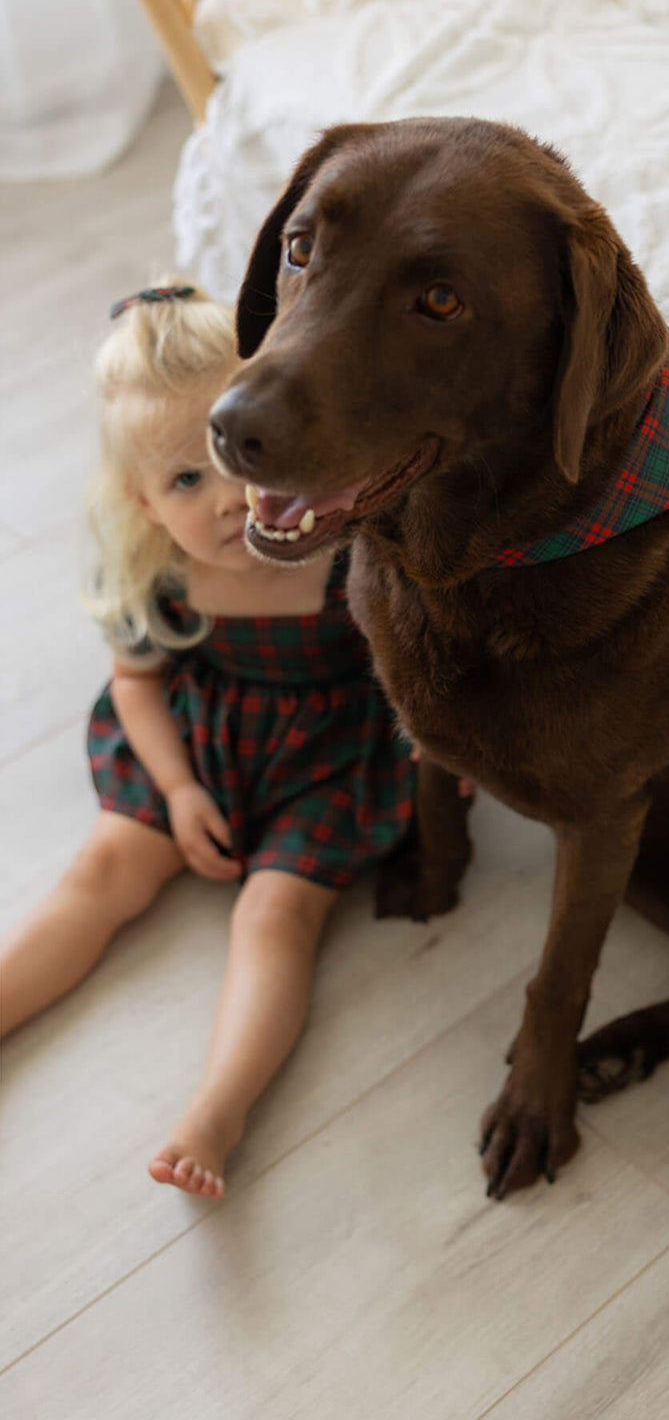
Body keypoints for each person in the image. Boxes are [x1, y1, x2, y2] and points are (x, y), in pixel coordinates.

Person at [0, 284, 415, 1200]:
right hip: (200, 732)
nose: (232, 498)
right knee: (100, 872)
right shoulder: (156, 570)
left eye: (246, 452)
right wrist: (180, 791)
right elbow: (137, 684)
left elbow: (406, 663)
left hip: (331, 745)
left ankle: (216, 1114)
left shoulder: (340, 546)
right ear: (142, 503)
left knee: (276, 915)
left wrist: (434, 748)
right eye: (187, 480)